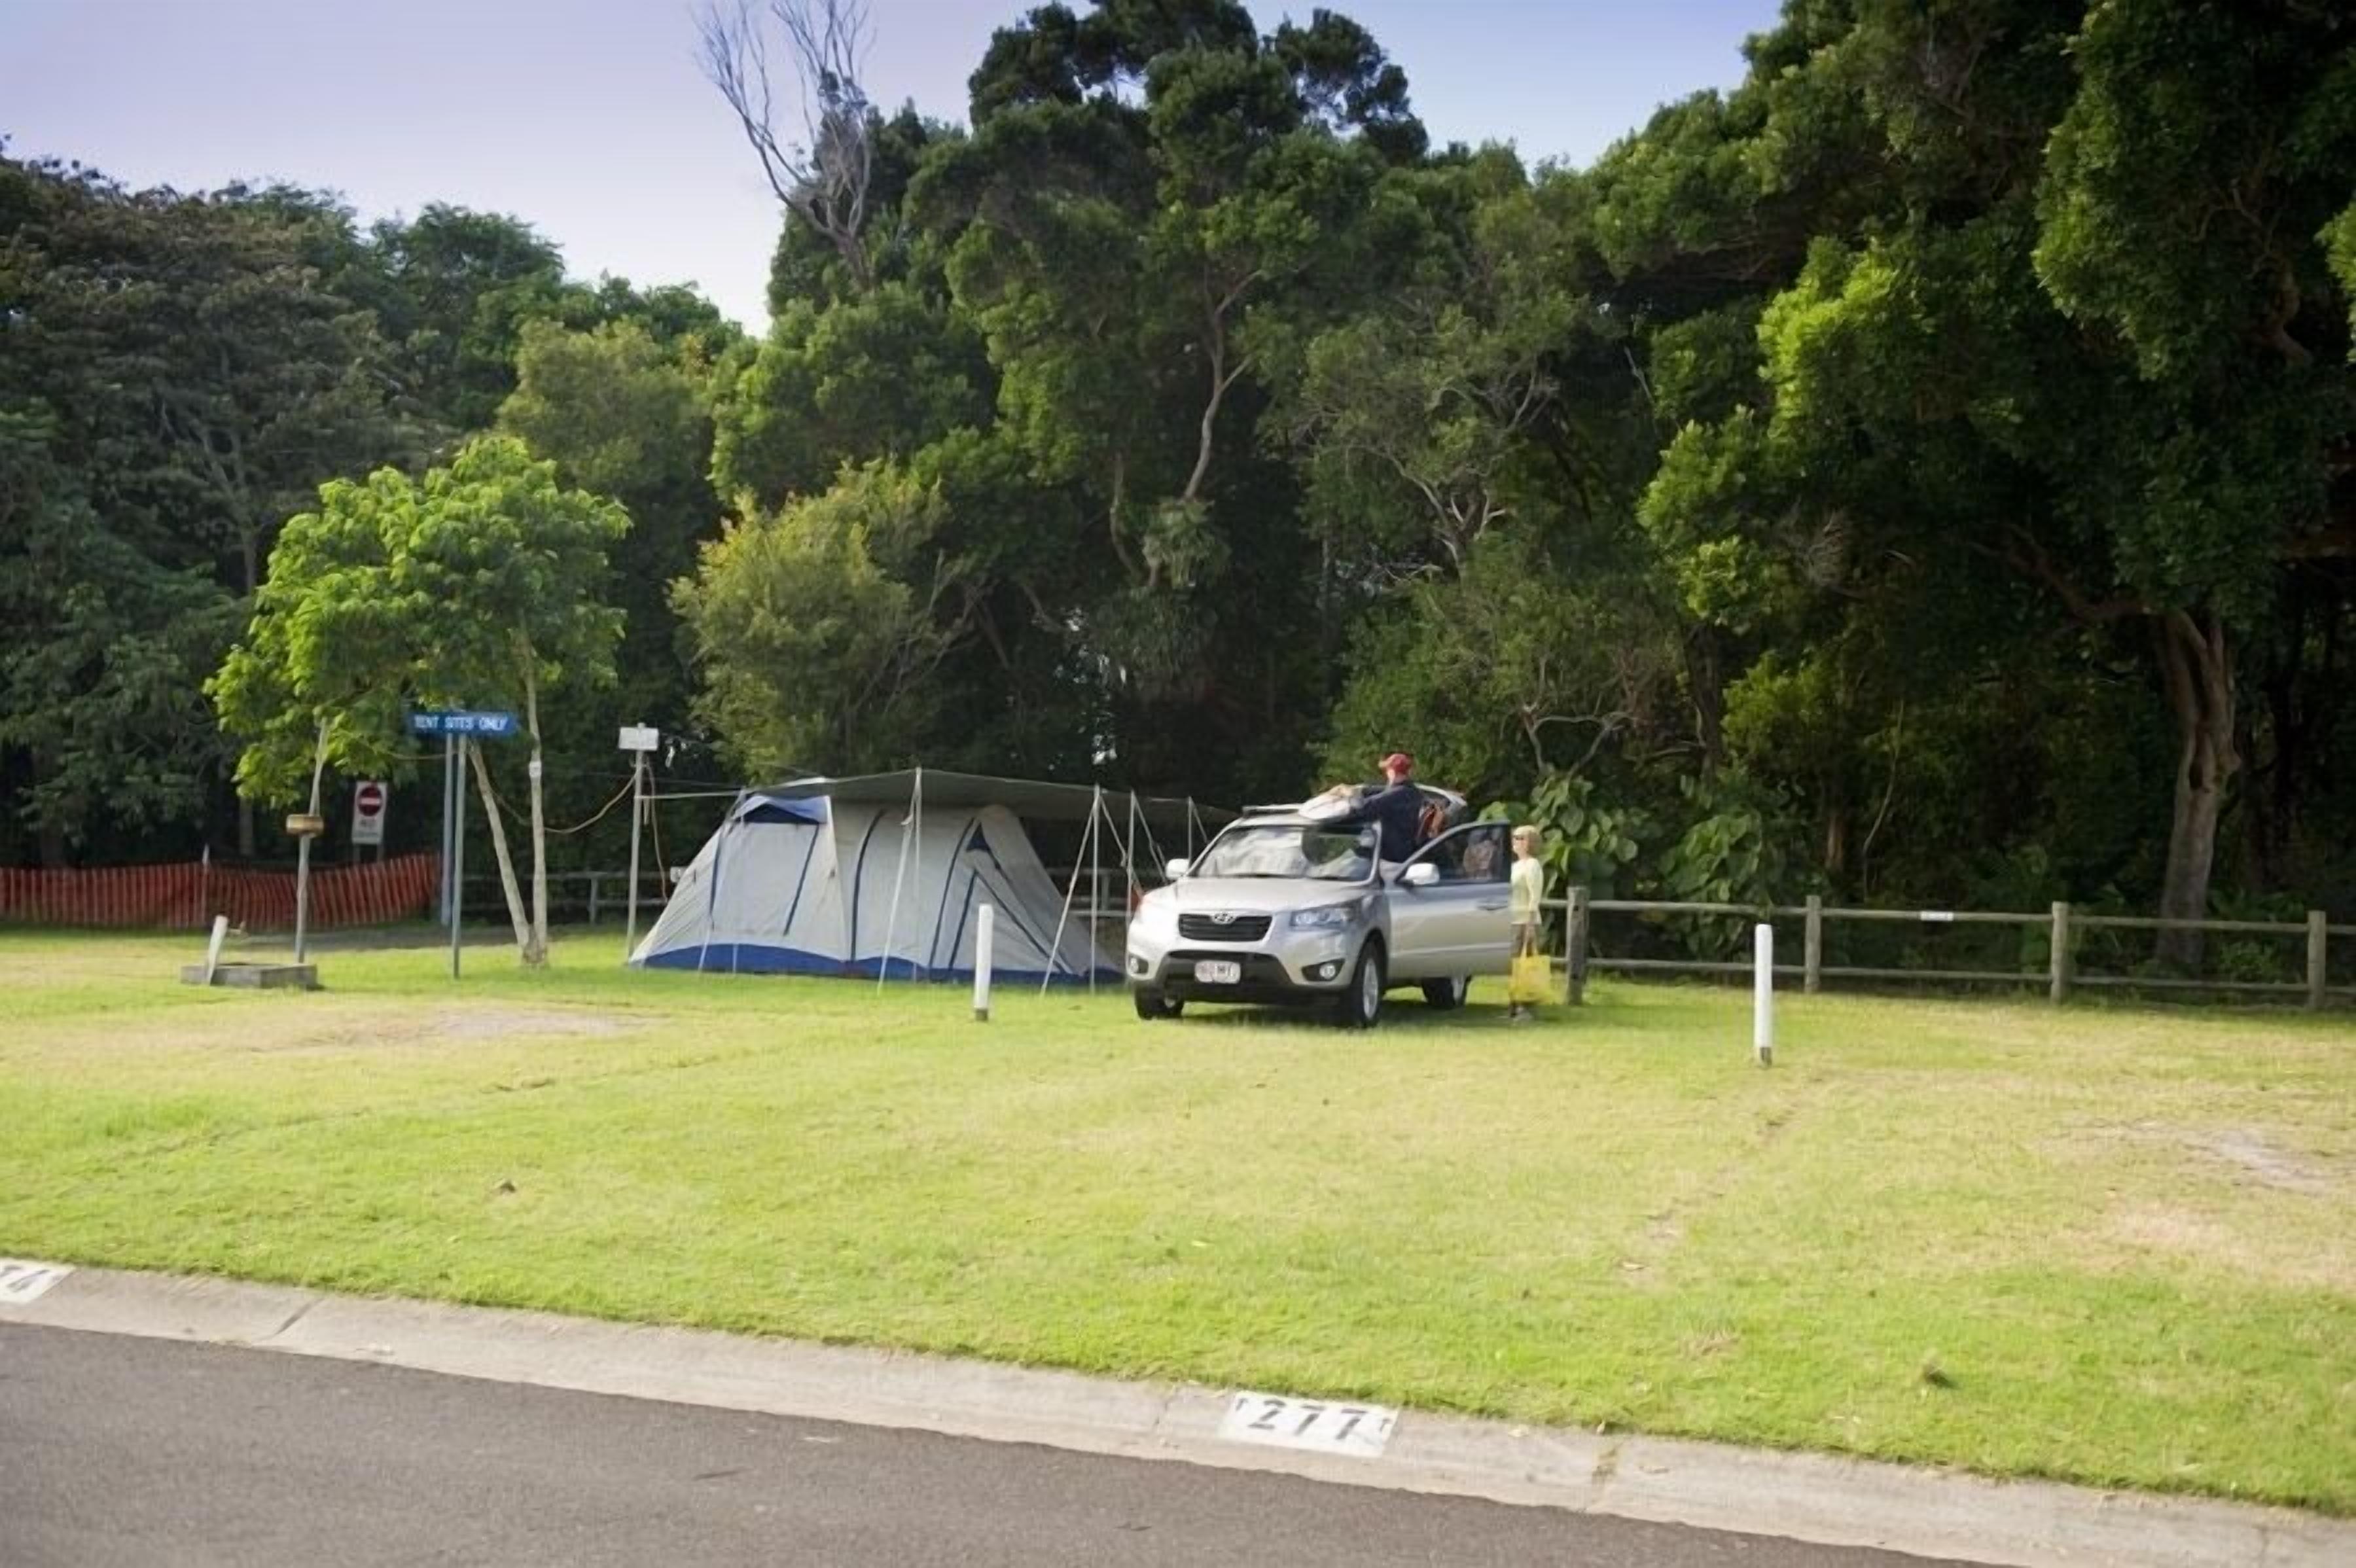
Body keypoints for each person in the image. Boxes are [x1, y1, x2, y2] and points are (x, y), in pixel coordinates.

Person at [1329, 752, 1426, 863]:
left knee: (1348, 861)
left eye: (1387, 770)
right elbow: (1376, 791)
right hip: (1394, 852)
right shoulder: (1409, 791)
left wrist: (1350, 795)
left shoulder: (1400, 794)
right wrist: (1356, 789)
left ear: (1392, 772)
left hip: (1391, 857)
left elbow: (1363, 808)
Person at [1508, 824, 1546, 1022]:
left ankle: (1525, 1008)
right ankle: (1514, 1006)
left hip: (1526, 921)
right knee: (1514, 966)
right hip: (1513, 920)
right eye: (1515, 837)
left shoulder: (1532, 865)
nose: (1515, 841)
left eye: (1520, 838)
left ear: (1529, 842)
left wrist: (1531, 925)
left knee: (1526, 965)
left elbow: (1535, 896)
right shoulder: (1515, 866)